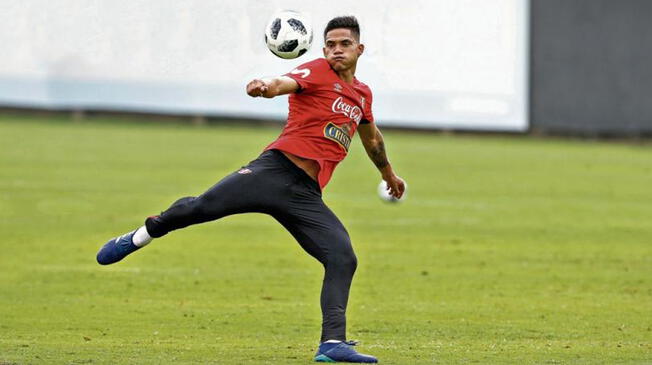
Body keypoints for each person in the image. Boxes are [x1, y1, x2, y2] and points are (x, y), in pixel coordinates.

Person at [96, 15, 405, 363]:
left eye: (344, 44)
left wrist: (389, 175)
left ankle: (332, 344)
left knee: (342, 257)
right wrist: (264, 86)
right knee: (199, 208)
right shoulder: (318, 70)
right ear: (322, 49)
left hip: (305, 194)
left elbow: (372, 139)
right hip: (272, 172)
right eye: (331, 44)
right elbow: (283, 82)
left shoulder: (362, 95)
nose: (336, 50)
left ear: (359, 49)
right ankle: (140, 235)